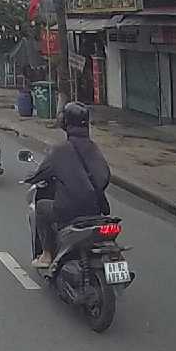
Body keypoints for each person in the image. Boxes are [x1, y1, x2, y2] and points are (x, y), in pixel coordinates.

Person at [25, 101, 111, 269]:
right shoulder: (94, 148)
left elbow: (41, 174)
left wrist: (30, 178)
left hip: (68, 210)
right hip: (95, 210)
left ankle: (46, 255)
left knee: (41, 208)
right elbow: (105, 175)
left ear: (65, 123)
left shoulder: (59, 150)